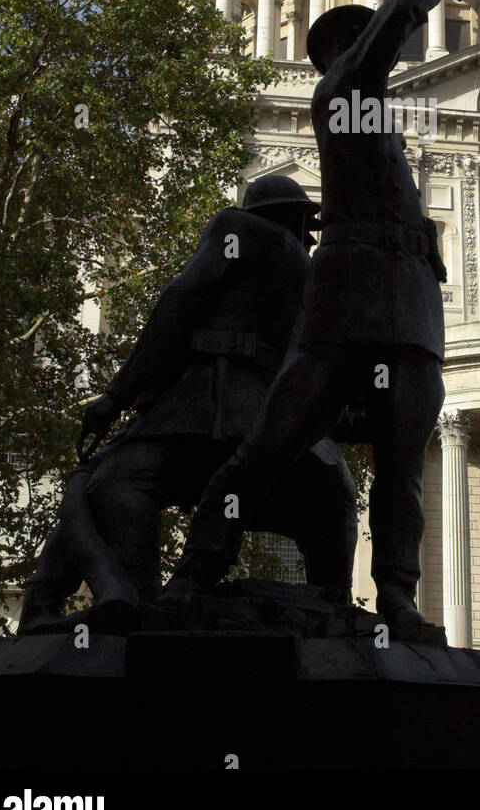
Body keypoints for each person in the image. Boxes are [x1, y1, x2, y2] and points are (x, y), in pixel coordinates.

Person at [159, 0, 475, 636]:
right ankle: (194, 570)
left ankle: (395, 596)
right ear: (338, 51)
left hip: (410, 302)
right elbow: (394, 18)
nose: (376, 52)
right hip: (348, 292)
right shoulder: (342, 91)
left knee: (401, 467)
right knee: (274, 440)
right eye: (358, 39)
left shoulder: (386, 127)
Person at [18, 176, 357, 634]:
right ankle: (332, 604)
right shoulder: (317, 271)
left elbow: (180, 301)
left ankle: (133, 599)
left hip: (214, 403)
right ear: (297, 219)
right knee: (333, 504)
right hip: (286, 428)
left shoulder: (236, 226)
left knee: (109, 480)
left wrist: (116, 396)